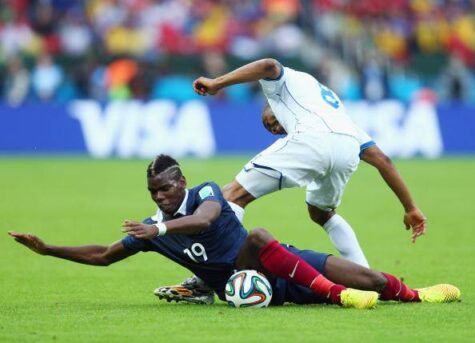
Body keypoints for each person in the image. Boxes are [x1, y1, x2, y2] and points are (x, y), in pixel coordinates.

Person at [8, 155, 459, 308]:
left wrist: (160, 226)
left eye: (165, 189)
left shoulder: (204, 193)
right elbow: (103, 254)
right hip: (242, 282)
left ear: (180, 182)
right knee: (261, 237)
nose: (159, 197)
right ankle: (340, 297)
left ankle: (422, 296)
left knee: (377, 281)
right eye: (153, 192)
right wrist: (48, 250)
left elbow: (204, 221)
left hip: (279, 266)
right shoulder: (154, 229)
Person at [157, 58, 428, 303]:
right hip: (345, 149)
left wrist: (217, 83)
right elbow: (382, 160)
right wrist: (411, 208)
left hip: (312, 141)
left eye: (271, 123)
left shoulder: (282, 86)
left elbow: (269, 65)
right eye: (270, 129)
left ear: (271, 104)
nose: (274, 129)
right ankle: (367, 276)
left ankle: (206, 281)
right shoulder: (331, 109)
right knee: (321, 212)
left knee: (230, 196)